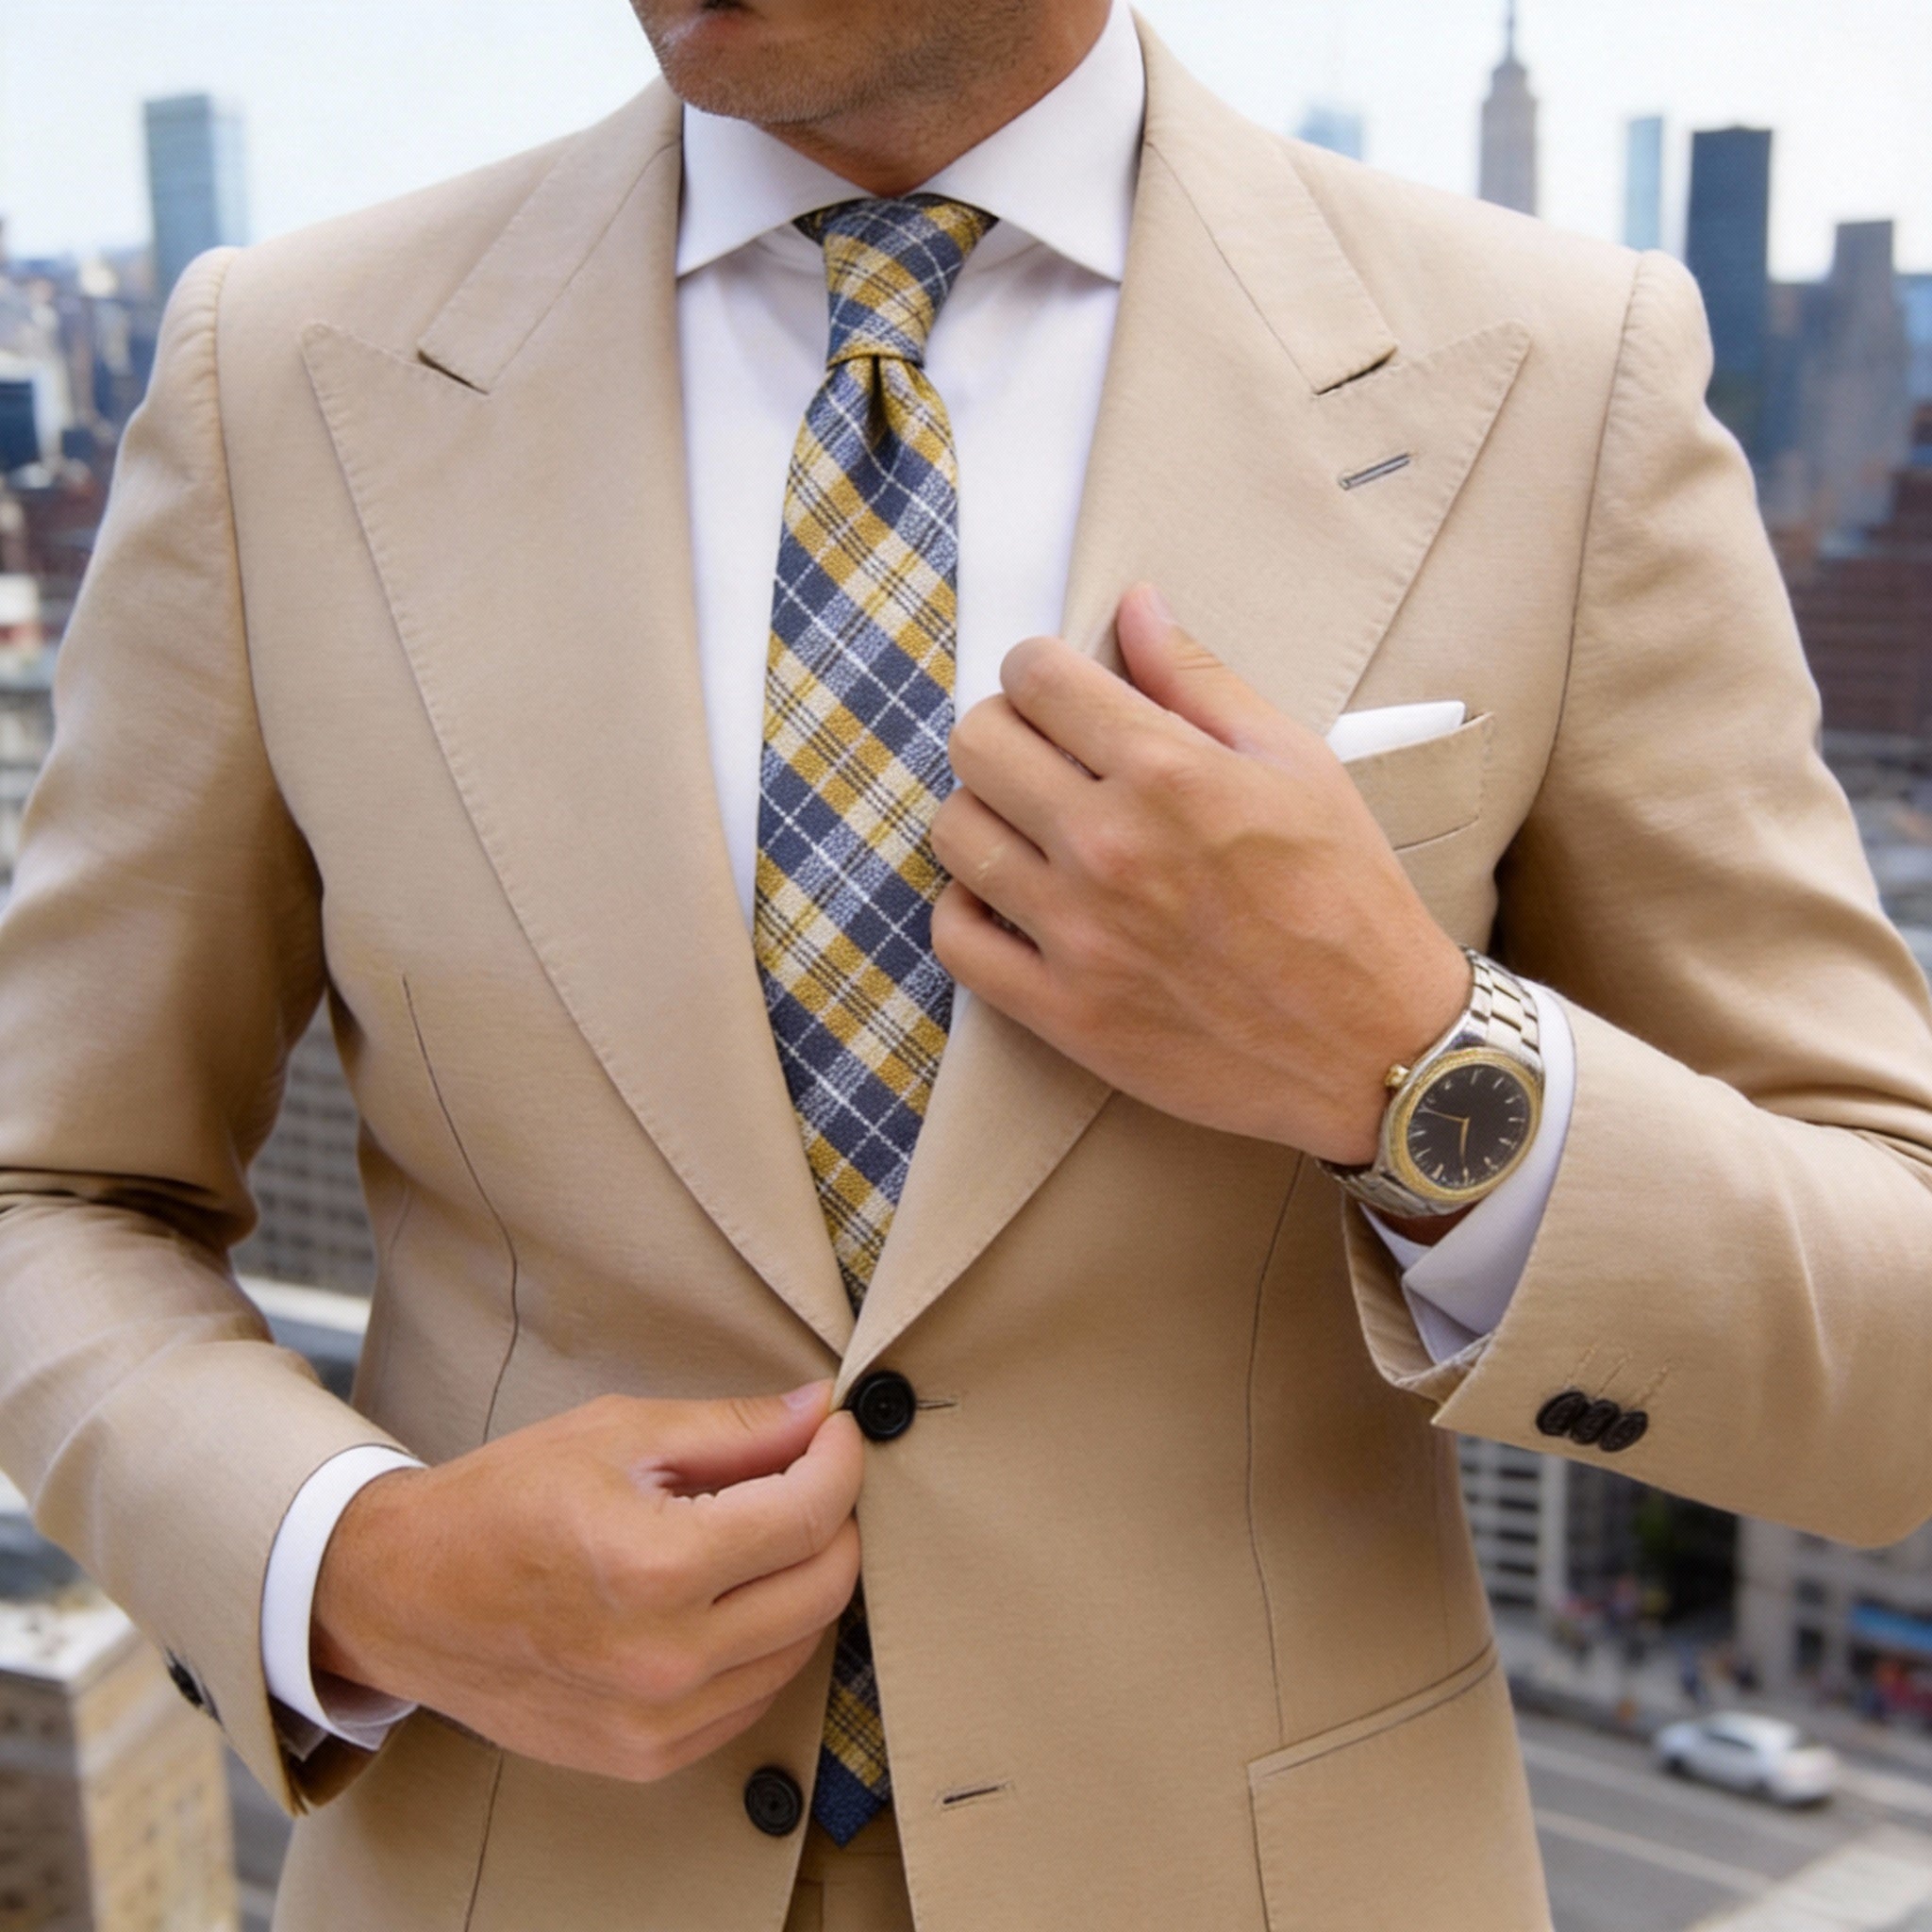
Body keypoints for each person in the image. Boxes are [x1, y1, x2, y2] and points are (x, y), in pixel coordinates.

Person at [2, 1, 1930, 1926]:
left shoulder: (1554, 374)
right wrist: (357, 1566)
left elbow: (1897, 1335)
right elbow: (49, 1189)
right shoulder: (278, 376)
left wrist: (1412, 1069)